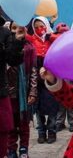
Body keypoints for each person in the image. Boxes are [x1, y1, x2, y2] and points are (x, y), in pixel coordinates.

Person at [25, 16, 59, 144]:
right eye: (37, 26)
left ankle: (52, 131)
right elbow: (21, 33)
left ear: (46, 25)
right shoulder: (31, 39)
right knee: (37, 106)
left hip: (51, 75)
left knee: (52, 106)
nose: (40, 29)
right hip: (36, 76)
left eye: (42, 26)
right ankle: (41, 132)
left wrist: (50, 35)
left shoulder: (52, 38)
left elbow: (62, 40)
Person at [6, 22, 37, 158]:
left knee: (24, 123)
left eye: (19, 28)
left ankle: (24, 149)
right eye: (13, 28)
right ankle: (11, 149)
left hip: (24, 93)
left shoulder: (29, 48)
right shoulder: (6, 49)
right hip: (9, 93)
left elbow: (33, 71)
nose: (16, 31)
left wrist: (33, 91)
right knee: (10, 123)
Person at [0, 17, 26, 158]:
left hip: (1, 93)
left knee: (3, 132)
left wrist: (18, 40)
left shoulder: (4, 33)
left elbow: (13, 59)